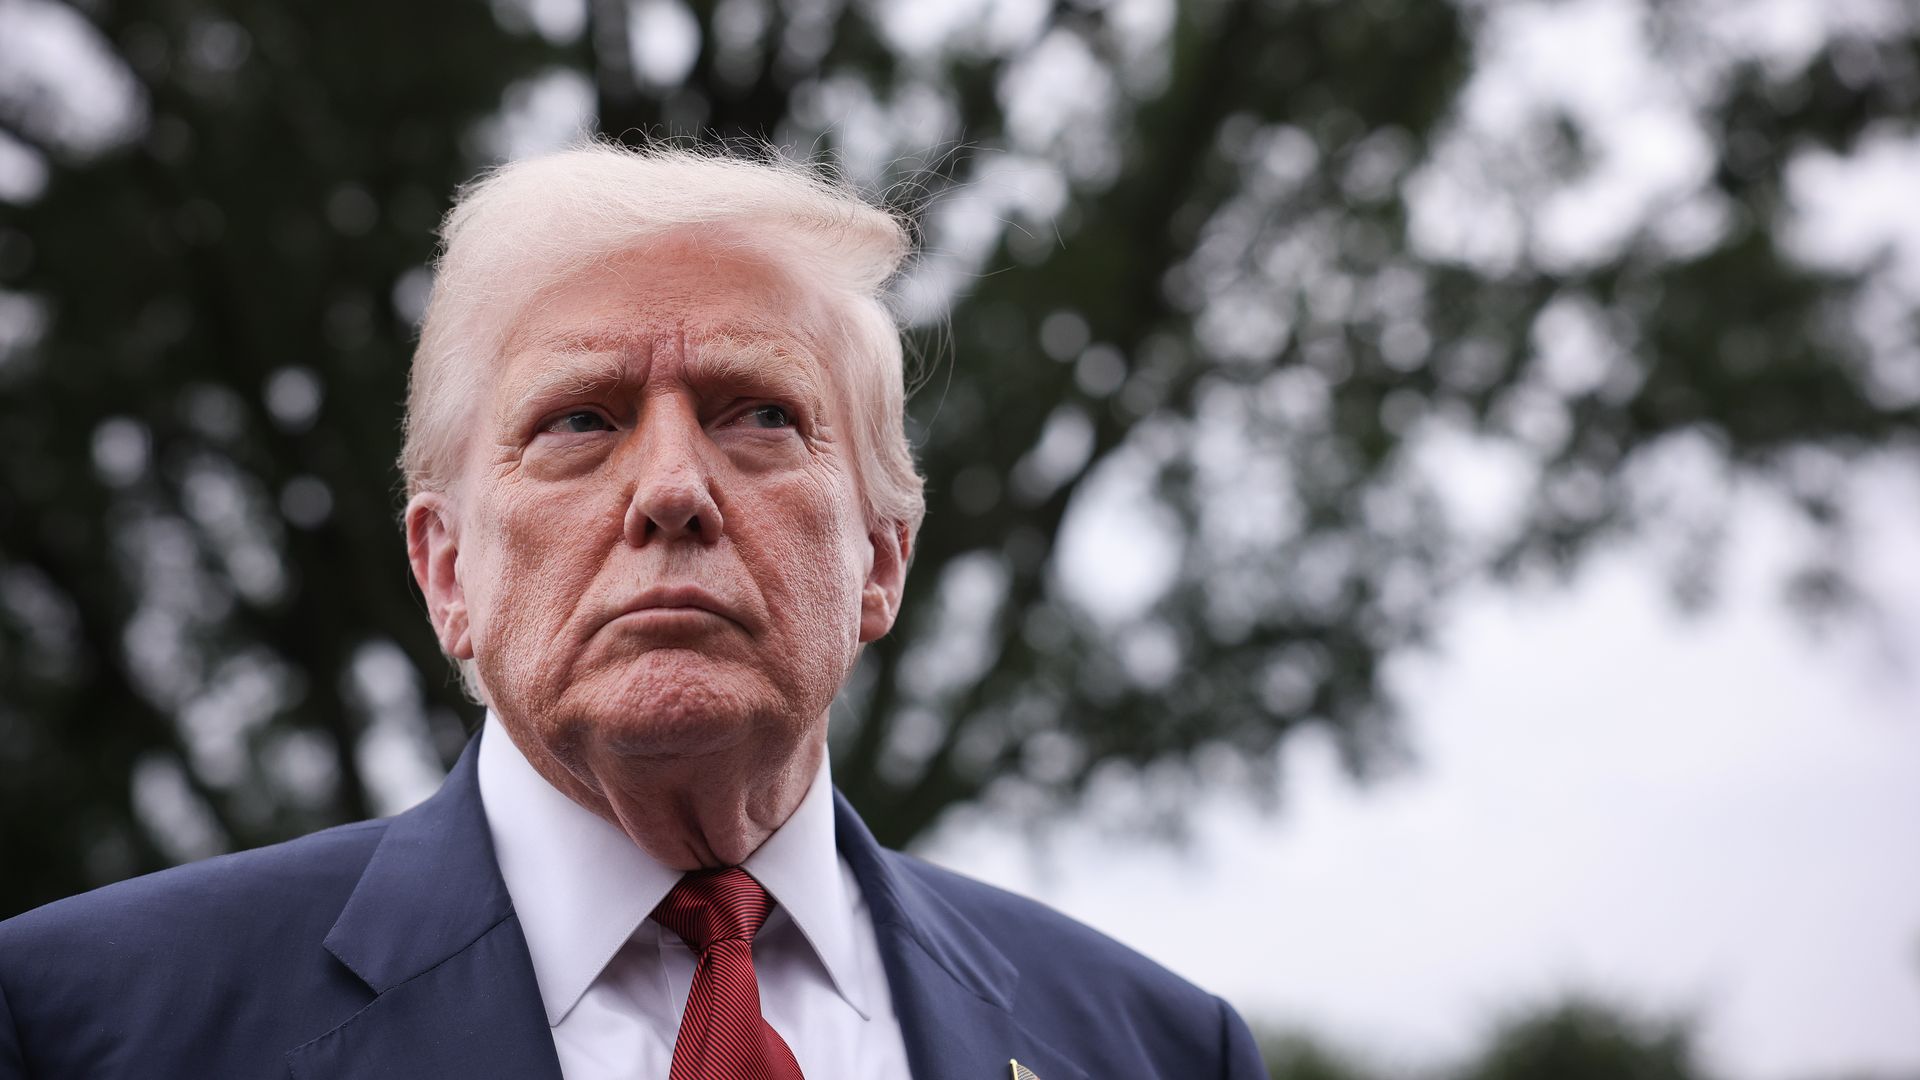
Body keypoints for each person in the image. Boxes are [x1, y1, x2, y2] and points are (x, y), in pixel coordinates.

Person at [0, 144, 1267, 1080]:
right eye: (579, 421)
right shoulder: (79, 1024)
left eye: (757, 414)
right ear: (448, 573)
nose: (670, 490)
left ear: (882, 557)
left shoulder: (1155, 1050)